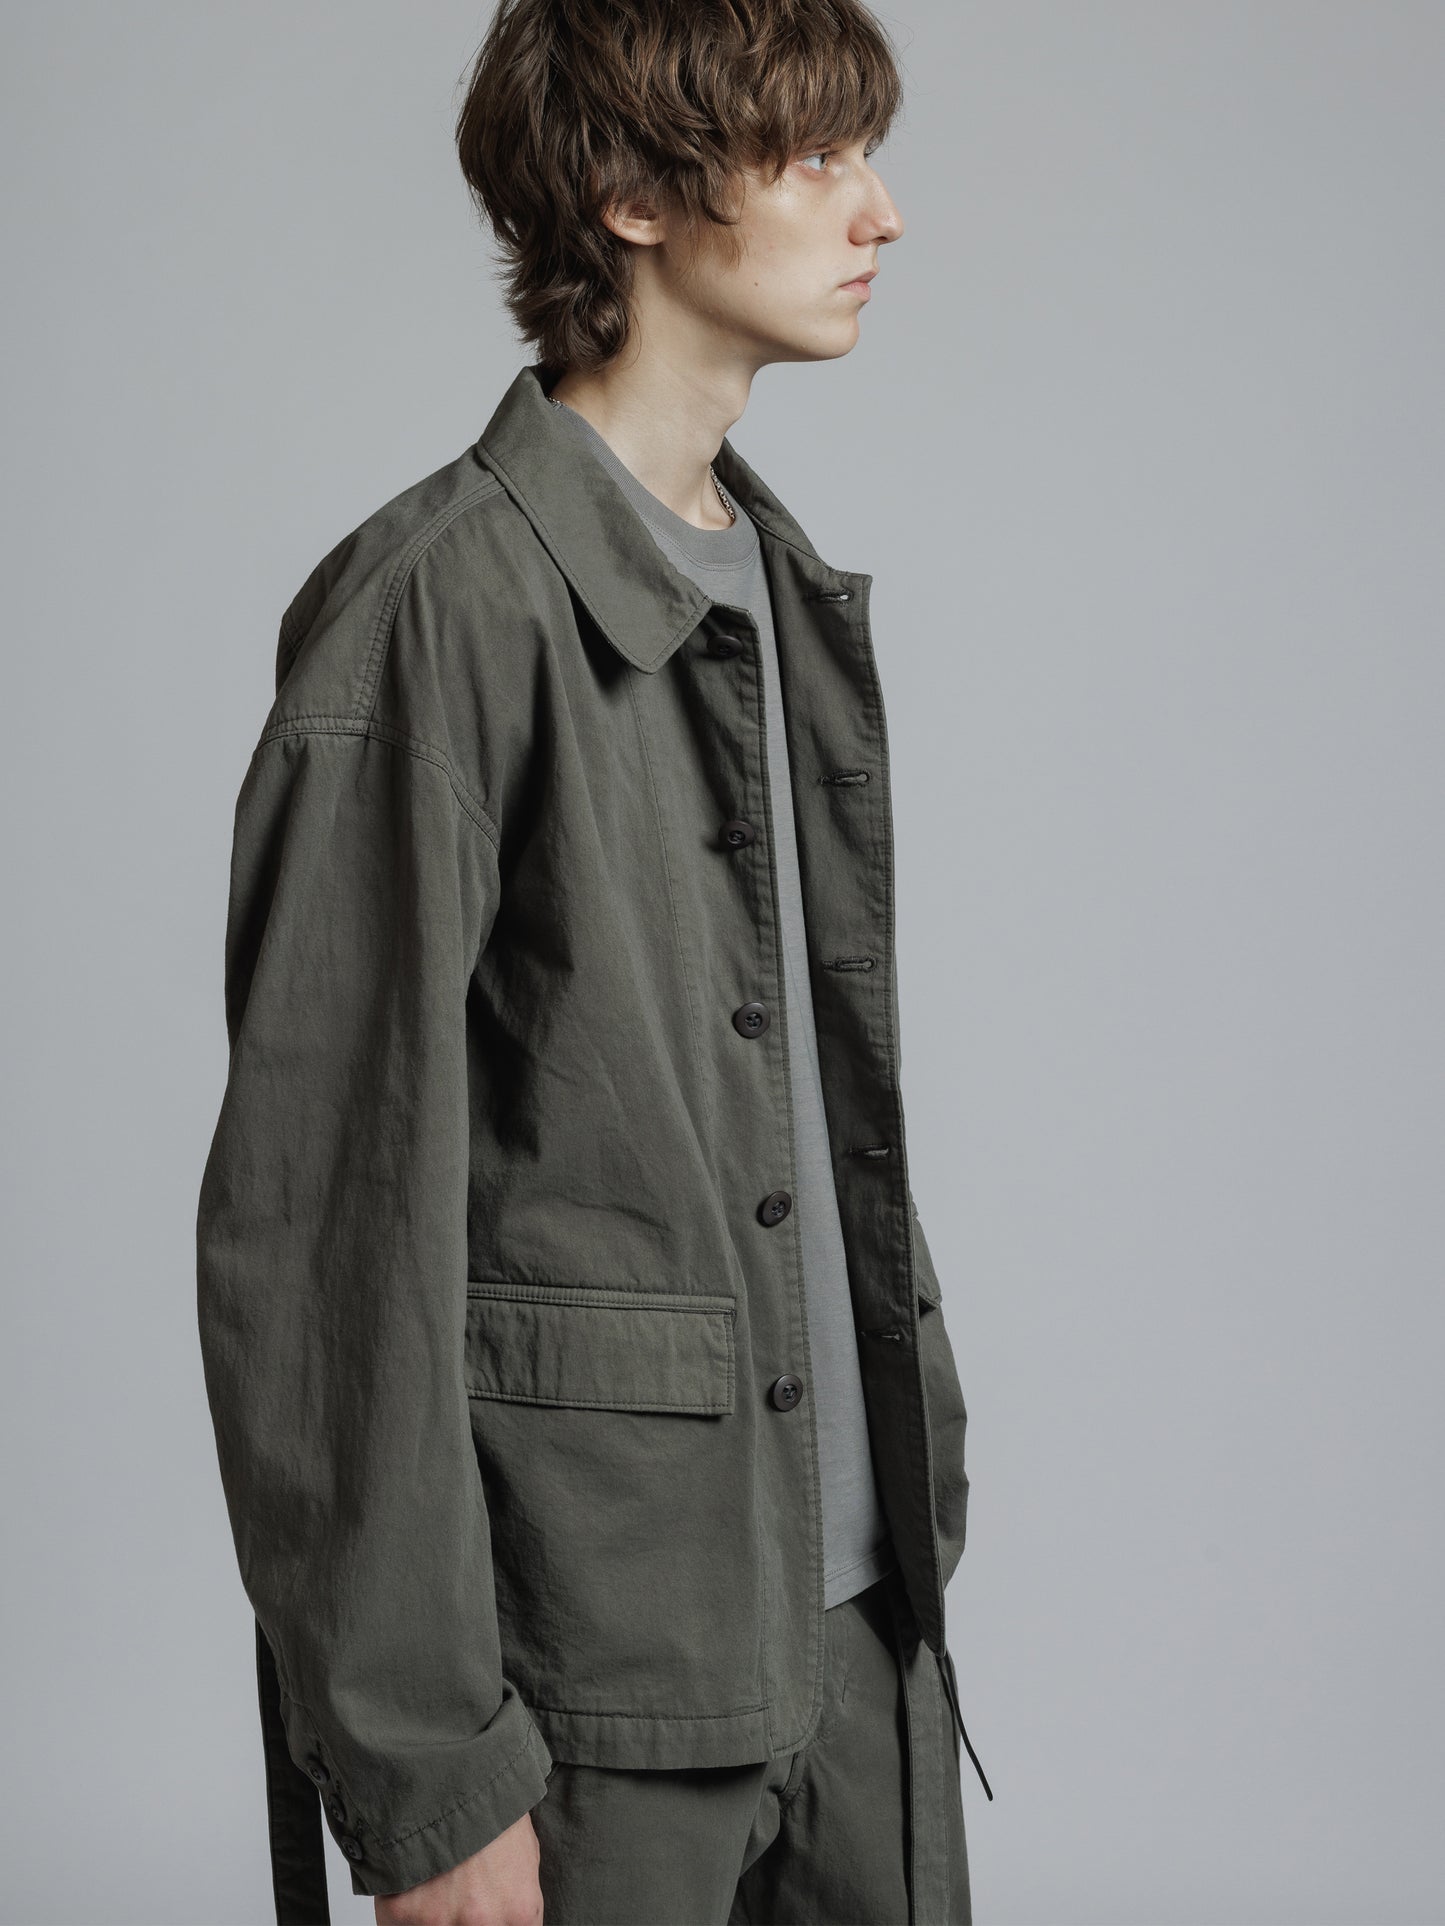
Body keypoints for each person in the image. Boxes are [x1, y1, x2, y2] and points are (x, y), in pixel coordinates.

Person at [195, 1, 989, 1921]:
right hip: (595, 1680)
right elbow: (320, 1238)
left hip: (855, 1622)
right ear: (633, 193)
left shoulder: (775, 585)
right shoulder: (436, 610)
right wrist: (423, 1770)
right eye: (815, 156)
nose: (879, 211)